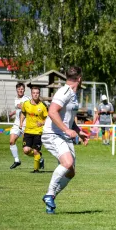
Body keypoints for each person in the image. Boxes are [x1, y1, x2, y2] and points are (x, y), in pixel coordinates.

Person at [41, 66, 89, 214]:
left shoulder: (73, 94)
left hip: (64, 135)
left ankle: (51, 199)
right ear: (79, 79)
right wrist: (66, 130)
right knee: (67, 163)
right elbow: (52, 111)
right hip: (53, 134)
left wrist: (78, 132)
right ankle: (49, 194)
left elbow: (68, 120)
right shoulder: (64, 92)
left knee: (70, 172)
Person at [19, 86, 48, 172]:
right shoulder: (26, 104)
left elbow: (48, 118)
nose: (35, 95)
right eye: (34, 93)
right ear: (31, 94)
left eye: (37, 93)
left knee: (35, 151)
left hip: (38, 132)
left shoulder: (43, 106)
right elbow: (23, 113)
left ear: (39, 94)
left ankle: (36, 170)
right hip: (28, 131)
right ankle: (39, 157)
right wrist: (21, 123)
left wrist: (42, 123)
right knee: (26, 150)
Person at [8, 82, 31, 169]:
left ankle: (39, 158)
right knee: (11, 141)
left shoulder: (27, 99)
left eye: (22, 89)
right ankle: (17, 160)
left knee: (27, 149)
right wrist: (13, 113)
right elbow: (18, 109)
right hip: (17, 123)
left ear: (24, 90)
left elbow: (30, 109)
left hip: (26, 124)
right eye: (19, 89)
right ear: (16, 90)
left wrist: (22, 106)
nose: (20, 90)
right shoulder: (16, 99)